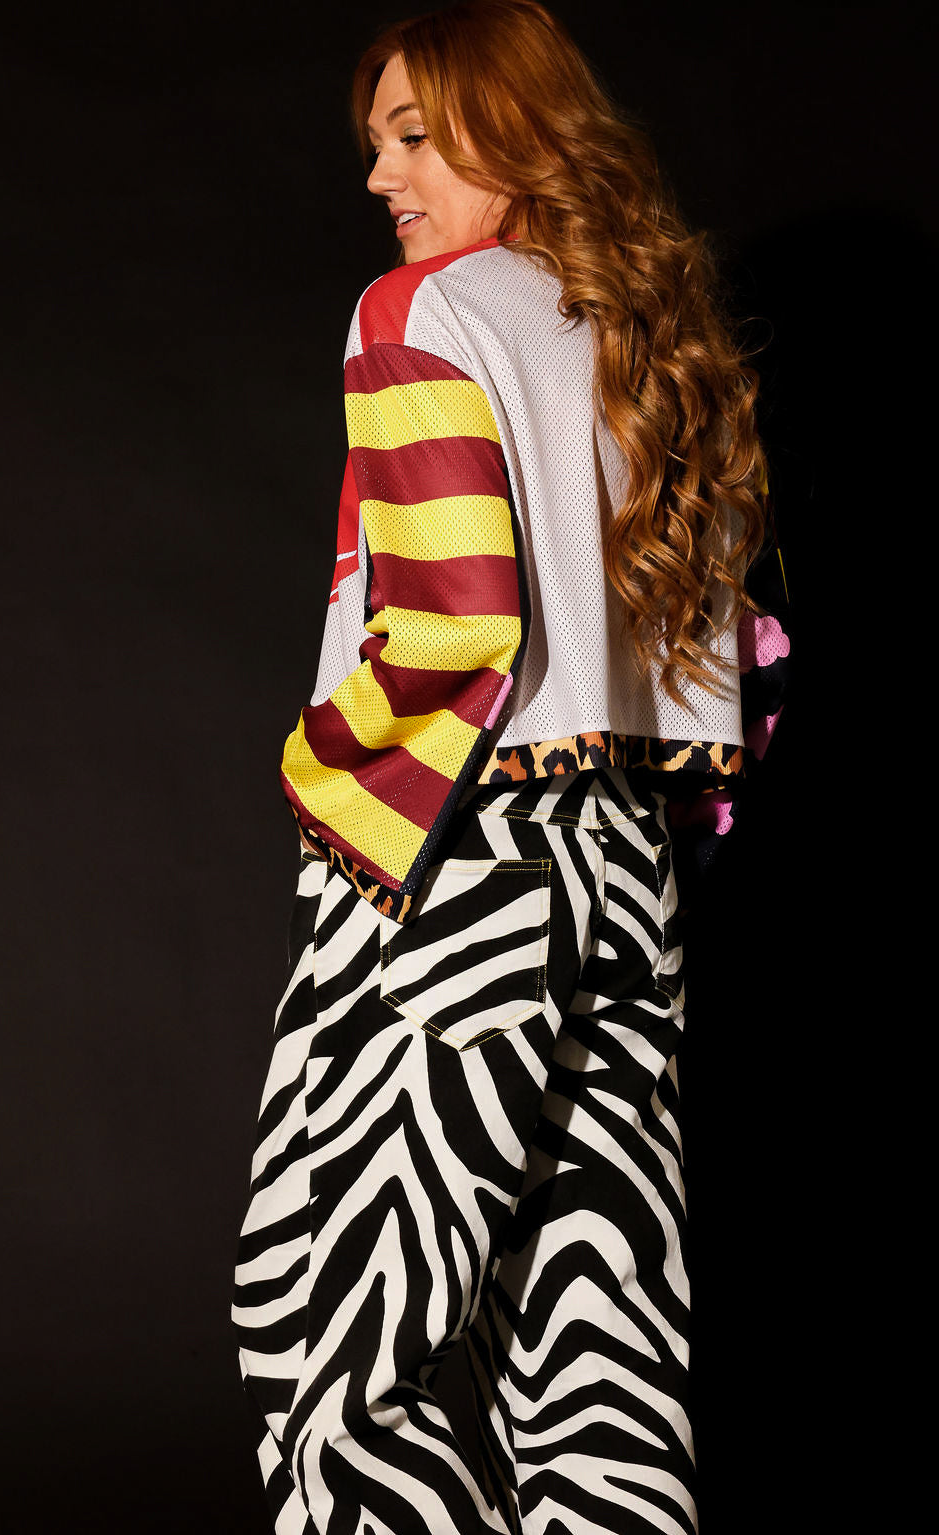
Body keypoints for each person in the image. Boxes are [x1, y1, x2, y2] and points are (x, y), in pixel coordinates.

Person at [232, 3, 790, 1532]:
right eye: (376, 145)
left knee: (334, 1330)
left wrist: (320, 774)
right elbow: (731, 661)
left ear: (518, 132)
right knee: (600, 1338)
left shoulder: (419, 314)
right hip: (625, 870)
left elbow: (458, 620)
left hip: (459, 858)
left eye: (416, 137)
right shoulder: (655, 334)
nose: (381, 178)